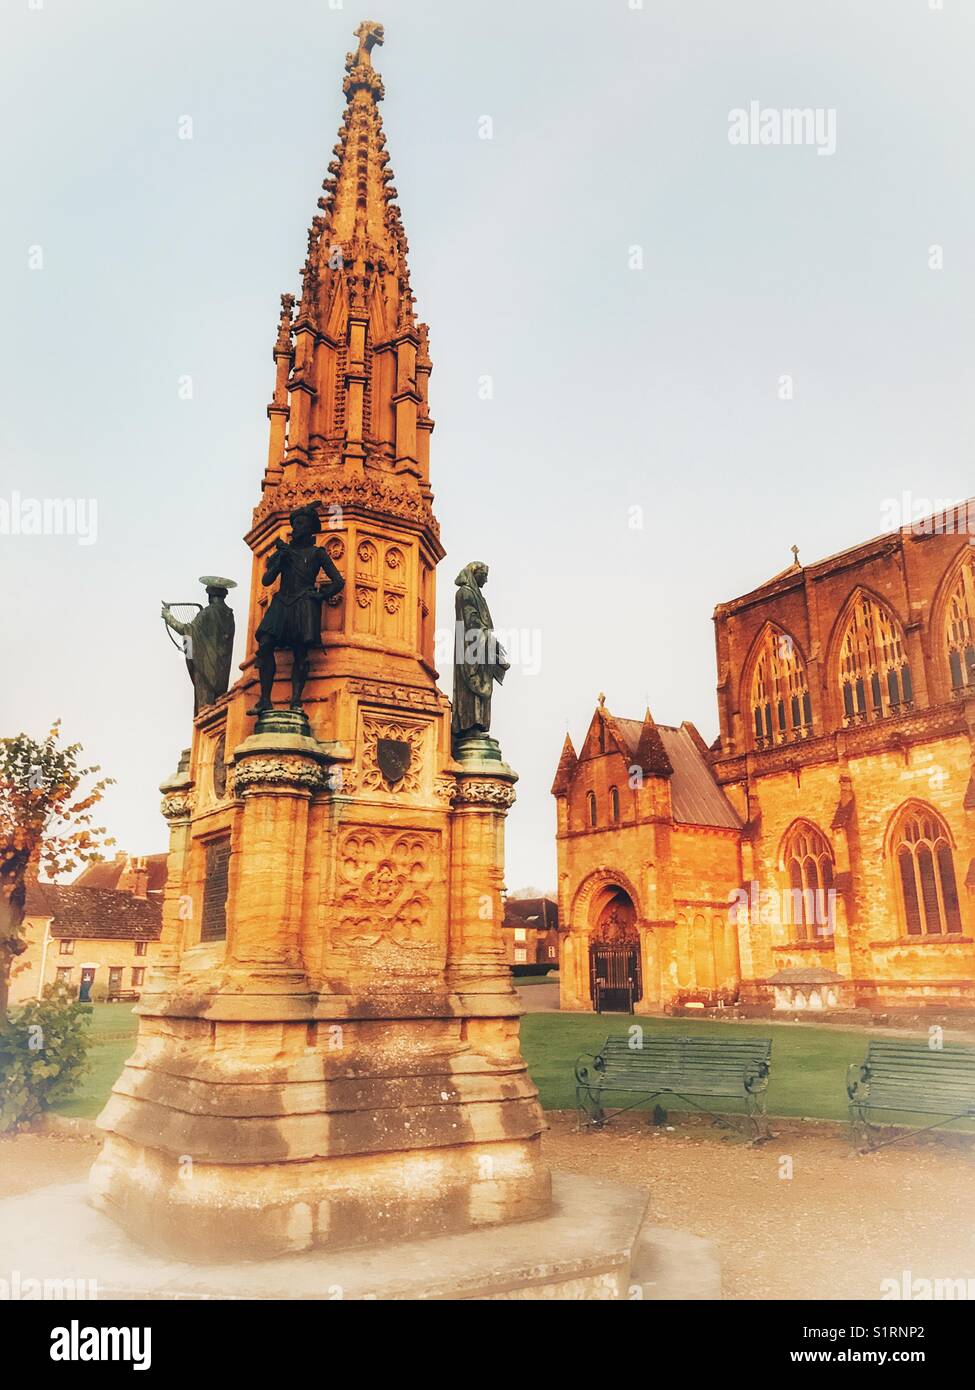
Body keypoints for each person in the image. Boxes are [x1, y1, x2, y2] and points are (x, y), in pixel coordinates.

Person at [250, 504, 344, 714]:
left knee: (300, 653)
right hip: (282, 601)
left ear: (310, 527)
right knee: (265, 644)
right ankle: (265, 699)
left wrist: (320, 595)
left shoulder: (317, 553)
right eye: (295, 523)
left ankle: (295, 700)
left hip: (303, 603)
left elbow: (338, 581)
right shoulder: (285, 552)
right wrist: (279, 559)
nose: (297, 526)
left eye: (301, 523)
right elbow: (267, 580)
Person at [452, 561, 509, 744]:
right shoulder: (465, 593)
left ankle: (480, 724)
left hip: (482, 645)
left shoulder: (478, 595)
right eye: (484, 575)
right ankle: (470, 725)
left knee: (484, 685)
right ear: (475, 574)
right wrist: (486, 636)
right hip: (471, 645)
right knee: (472, 686)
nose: (486, 579)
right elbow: (471, 620)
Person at [162, 578, 236, 714]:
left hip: (205, 666)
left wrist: (168, 617)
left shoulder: (208, 613)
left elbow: (186, 630)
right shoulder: (229, 615)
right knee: (217, 707)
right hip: (221, 670)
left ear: (210, 595)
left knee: (203, 709)